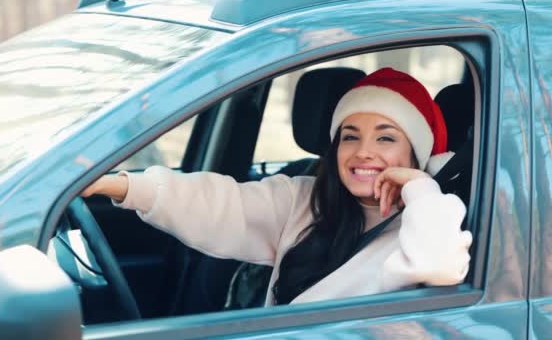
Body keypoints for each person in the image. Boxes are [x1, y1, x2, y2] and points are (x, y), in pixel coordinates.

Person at [82, 67, 473, 306]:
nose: (363, 153)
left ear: (416, 152)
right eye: (350, 137)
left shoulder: (431, 219)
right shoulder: (304, 199)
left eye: (386, 138)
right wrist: (113, 185)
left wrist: (421, 188)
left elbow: (438, 263)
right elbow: (218, 204)